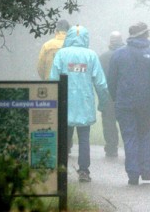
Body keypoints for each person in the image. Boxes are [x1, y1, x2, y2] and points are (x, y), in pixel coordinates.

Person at [107, 22, 150, 185]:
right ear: (145, 35)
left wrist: (115, 98)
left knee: (129, 136)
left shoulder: (118, 55)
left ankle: (133, 174)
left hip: (124, 103)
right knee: (144, 133)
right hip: (146, 103)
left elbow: (111, 81)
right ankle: (146, 170)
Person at [50, 24, 110, 183]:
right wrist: (103, 104)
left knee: (64, 139)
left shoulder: (61, 54)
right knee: (84, 139)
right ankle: (84, 171)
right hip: (85, 103)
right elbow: (101, 84)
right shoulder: (91, 56)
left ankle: (61, 172)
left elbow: (53, 80)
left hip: (65, 104)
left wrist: (52, 104)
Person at [36, 19, 76, 153]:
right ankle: (67, 144)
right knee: (68, 115)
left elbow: (40, 66)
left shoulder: (47, 45)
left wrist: (45, 78)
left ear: (56, 30)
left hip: (50, 86)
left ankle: (52, 144)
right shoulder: (73, 46)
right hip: (69, 86)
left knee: (51, 114)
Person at [98, 31, 124, 157]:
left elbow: (98, 78)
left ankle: (111, 147)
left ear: (110, 42)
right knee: (126, 121)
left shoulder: (103, 57)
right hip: (125, 94)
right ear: (122, 41)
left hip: (108, 95)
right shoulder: (127, 55)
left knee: (109, 122)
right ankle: (130, 146)